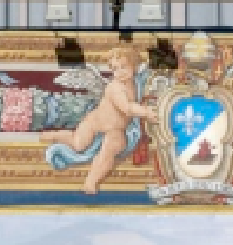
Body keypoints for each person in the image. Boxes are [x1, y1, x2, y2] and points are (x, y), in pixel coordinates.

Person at [41, 46, 156, 195]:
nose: (119, 72)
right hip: (94, 123)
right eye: (115, 69)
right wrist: (146, 112)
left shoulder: (136, 83)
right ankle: (56, 135)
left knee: (108, 151)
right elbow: (127, 108)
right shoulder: (115, 88)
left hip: (116, 129)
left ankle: (91, 181)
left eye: (123, 67)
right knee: (78, 144)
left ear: (134, 66)